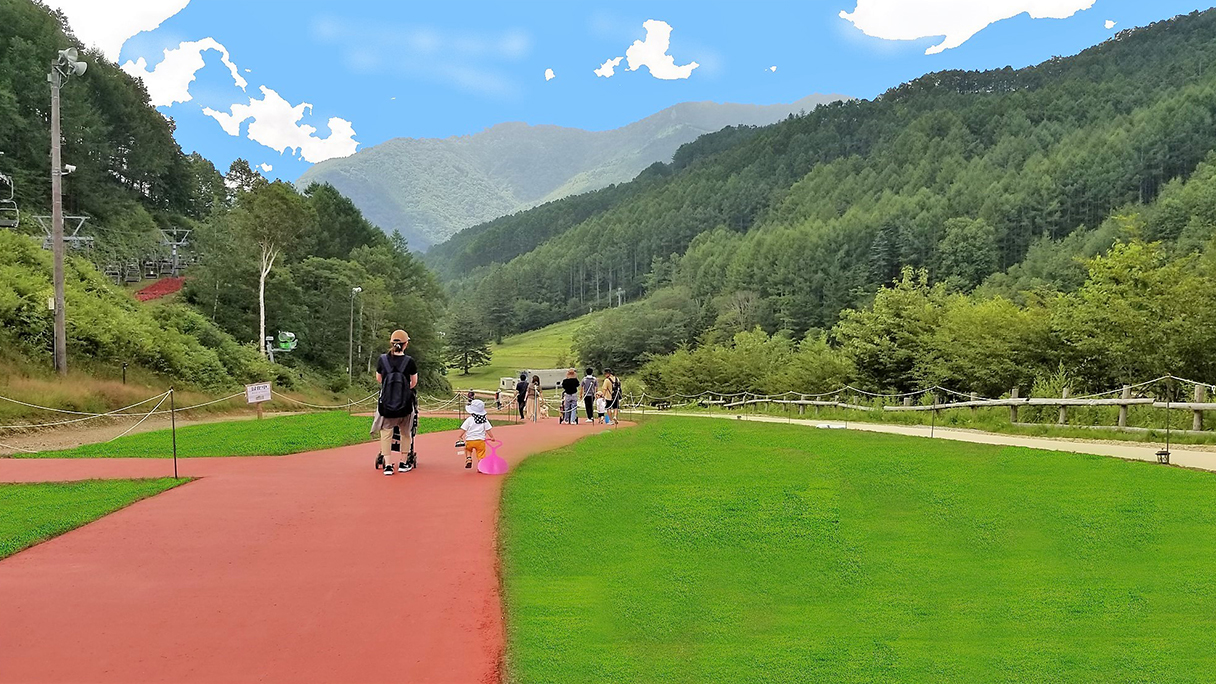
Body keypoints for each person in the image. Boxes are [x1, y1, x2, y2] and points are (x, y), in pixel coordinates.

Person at [372, 330, 418, 476]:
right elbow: (413, 382)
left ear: (391, 343)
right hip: (405, 405)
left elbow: (379, 379)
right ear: (406, 344)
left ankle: (388, 465)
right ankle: (403, 463)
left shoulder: (382, 360)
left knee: (386, 433)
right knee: (406, 433)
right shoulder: (409, 361)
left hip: (387, 404)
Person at [457, 399, 496, 470]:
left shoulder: (469, 419)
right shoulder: (484, 420)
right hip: (480, 441)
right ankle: (480, 466)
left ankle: (469, 459)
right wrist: (492, 437)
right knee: (481, 453)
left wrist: (460, 436)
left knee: (468, 450)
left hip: (470, 440)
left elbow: (464, 428)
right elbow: (488, 430)